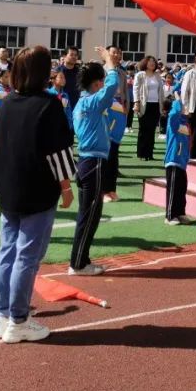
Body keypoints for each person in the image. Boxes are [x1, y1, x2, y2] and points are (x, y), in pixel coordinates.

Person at [0, 45, 76, 343]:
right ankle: (18, 319)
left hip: (8, 186)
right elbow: (59, 150)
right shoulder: (48, 104)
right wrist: (66, 186)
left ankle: (2, 316)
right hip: (37, 188)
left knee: (7, 251)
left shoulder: (6, 102)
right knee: (27, 255)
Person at [69, 48, 120, 276]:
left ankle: (82, 259)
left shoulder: (82, 103)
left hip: (86, 162)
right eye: (101, 80)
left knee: (90, 213)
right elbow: (111, 89)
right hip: (93, 163)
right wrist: (110, 63)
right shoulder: (91, 103)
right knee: (89, 215)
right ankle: (78, 263)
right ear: (97, 82)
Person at [101, 45, 127, 203]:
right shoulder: (101, 71)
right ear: (106, 54)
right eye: (113, 52)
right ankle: (103, 190)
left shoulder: (122, 72)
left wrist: (126, 108)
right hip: (106, 113)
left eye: (119, 52)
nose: (116, 54)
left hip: (119, 114)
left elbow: (124, 93)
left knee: (114, 152)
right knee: (106, 152)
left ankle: (112, 189)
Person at [163, 93, 191, 225]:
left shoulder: (185, 122)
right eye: (181, 106)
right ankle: (170, 215)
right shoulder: (172, 121)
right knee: (173, 189)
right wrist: (177, 100)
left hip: (182, 162)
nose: (183, 107)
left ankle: (180, 212)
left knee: (181, 189)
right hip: (173, 161)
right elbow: (173, 114)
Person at [132, 55, 163, 161]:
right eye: (150, 61)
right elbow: (136, 89)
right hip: (144, 105)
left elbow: (161, 91)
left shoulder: (157, 76)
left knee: (152, 129)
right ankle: (141, 153)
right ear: (145, 63)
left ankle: (149, 153)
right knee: (143, 129)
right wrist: (136, 103)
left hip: (155, 105)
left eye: (153, 61)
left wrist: (162, 105)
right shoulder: (140, 75)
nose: (152, 63)